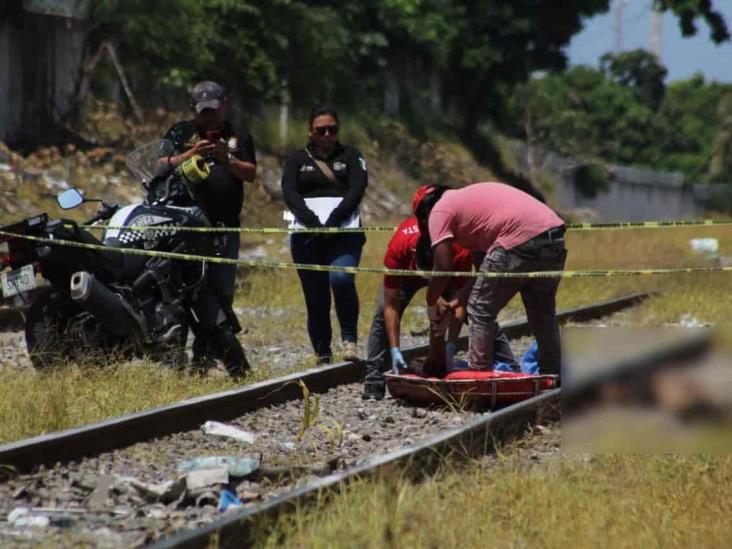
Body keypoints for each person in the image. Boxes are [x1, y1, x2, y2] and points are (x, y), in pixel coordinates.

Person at [361, 212, 518, 400]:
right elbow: (390, 306)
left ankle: (511, 368)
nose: (427, 280)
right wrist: (394, 348)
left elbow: (461, 304)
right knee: (381, 317)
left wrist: (450, 344)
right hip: (409, 272)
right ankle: (374, 379)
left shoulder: (458, 250)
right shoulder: (399, 248)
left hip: (447, 275)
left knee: (477, 312)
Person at [414, 183, 567, 375]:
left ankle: (478, 377)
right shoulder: (472, 210)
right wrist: (455, 303)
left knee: (480, 309)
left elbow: (443, 267)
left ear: (426, 212)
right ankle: (552, 376)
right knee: (541, 313)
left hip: (519, 237)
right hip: (554, 237)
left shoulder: (439, 210)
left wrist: (430, 304)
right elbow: (482, 274)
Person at [162, 81, 257, 367]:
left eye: (213, 111)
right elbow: (159, 165)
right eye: (203, 112)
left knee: (221, 292)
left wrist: (225, 158)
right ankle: (181, 355)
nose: (209, 117)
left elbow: (250, 173)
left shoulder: (238, 135)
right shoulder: (180, 132)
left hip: (223, 227)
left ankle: (205, 354)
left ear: (224, 105)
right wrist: (191, 155)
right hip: (184, 228)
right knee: (182, 293)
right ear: (193, 110)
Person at [281, 106, 368, 364]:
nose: (327, 134)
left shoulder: (352, 156)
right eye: (321, 130)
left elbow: (357, 188)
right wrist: (311, 221)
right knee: (315, 293)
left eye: (332, 129)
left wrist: (333, 220)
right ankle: (322, 352)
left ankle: (350, 341)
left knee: (341, 279)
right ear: (310, 132)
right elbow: (289, 191)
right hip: (307, 234)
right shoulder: (297, 159)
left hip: (344, 232)